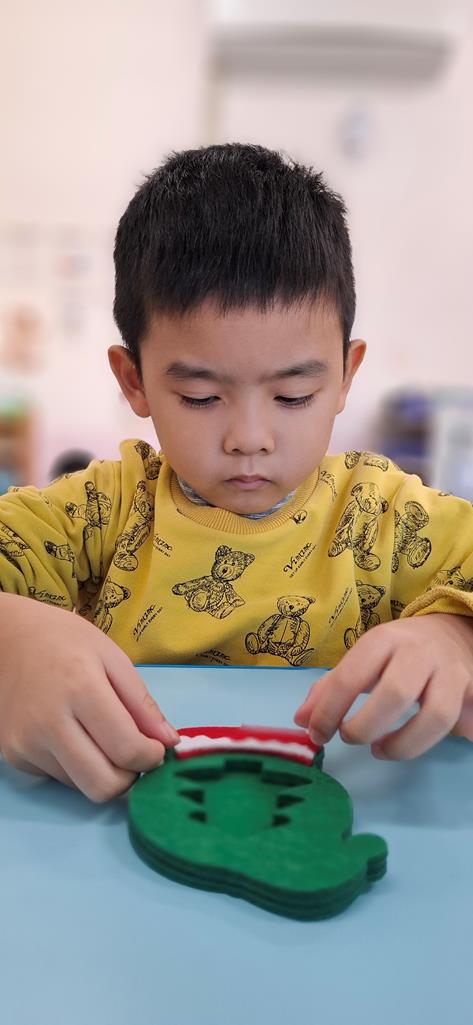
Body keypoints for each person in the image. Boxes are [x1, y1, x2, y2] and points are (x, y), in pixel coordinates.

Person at [1, 143, 472, 802]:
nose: (249, 438)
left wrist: (455, 634)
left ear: (345, 375)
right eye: (200, 397)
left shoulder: (384, 518)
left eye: (293, 396)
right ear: (134, 381)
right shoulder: (104, 511)